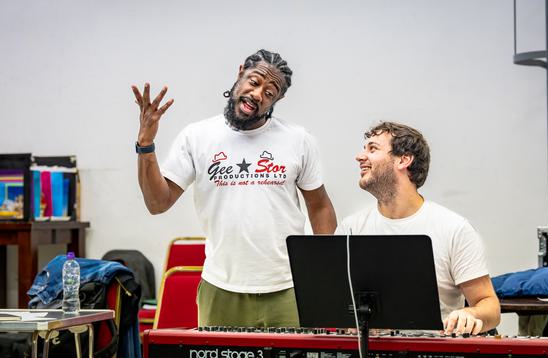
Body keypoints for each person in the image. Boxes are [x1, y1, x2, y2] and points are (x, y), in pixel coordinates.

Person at [131, 49, 337, 327]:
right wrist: (146, 144)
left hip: (287, 288)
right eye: (254, 81)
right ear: (240, 72)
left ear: (278, 99)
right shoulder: (197, 136)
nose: (257, 94)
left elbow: (319, 204)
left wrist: (326, 269)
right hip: (220, 288)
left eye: (270, 92)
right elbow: (158, 203)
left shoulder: (298, 140)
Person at [336, 121, 500, 335]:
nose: (359, 156)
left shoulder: (454, 229)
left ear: (403, 159)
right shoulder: (351, 228)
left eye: (373, 148)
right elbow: (334, 304)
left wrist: (471, 314)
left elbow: (489, 306)